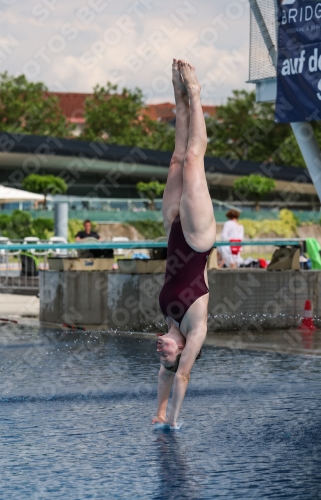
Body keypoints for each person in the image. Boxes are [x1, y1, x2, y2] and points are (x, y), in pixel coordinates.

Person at [152, 59, 216, 429]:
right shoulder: (195, 330)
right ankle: (195, 94)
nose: (161, 349)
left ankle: (177, 96)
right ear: (181, 352)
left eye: (161, 351)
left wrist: (157, 411)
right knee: (194, 159)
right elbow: (179, 378)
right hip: (197, 239)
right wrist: (172, 421)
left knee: (176, 160)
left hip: (173, 230)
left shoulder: (169, 319)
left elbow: (163, 373)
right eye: (166, 352)